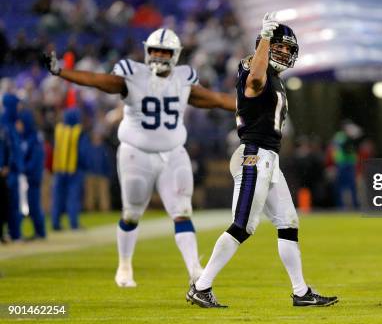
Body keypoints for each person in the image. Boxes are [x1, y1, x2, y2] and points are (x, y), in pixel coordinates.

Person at [42, 28, 236, 287]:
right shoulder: (132, 74)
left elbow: (214, 99)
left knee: (182, 212)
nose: (158, 55)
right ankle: (124, 266)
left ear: (175, 55)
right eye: (154, 50)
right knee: (132, 213)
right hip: (136, 153)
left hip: (173, 153)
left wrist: (250, 104)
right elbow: (98, 80)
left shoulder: (183, 78)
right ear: (146, 51)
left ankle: (195, 270)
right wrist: (62, 72)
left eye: (164, 51)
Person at [187, 13, 338, 308]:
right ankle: (201, 286)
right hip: (254, 155)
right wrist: (266, 38)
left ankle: (301, 291)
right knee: (243, 226)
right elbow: (254, 80)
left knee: (288, 223)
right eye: (277, 47)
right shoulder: (252, 67)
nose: (282, 53)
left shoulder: (276, 79)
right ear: (264, 45)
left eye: (286, 49)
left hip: (269, 158)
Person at [50, 108, 88, 231]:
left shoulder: (59, 130)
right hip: (74, 169)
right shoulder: (79, 132)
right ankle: (73, 223)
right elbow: (82, 152)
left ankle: (55, 223)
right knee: (73, 198)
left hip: (59, 169)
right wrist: (84, 166)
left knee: (57, 198)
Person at [1, 94, 26, 242]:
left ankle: (15, 233)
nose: (19, 109)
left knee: (14, 203)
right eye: (17, 106)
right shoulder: (4, 124)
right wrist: (3, 165)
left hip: (15, 170)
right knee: (8, 204)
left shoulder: (12, 124)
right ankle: (11, 233)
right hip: (7, 171)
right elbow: (4, 147)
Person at [19, 109, 46, 239]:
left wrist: (23, 168)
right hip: (28, 175)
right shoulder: (26, 136)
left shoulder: (34, 137)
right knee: (30, 203)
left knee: (34, 203)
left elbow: (36, 158)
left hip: (33, 176)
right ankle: (38, 231)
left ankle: (40, 232)